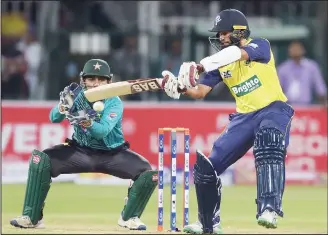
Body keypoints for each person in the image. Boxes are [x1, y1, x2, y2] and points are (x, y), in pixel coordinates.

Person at [162, 9, 294, 234]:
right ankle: (208, 223)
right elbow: (201, 91)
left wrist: (201, 65)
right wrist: (181, 87)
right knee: (206, 168)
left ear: (239, 31)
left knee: (268, 141)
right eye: (219, 34)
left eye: (224, 33)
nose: (221, 38)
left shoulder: (260, 45)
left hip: (273, 110)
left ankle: (269, 208)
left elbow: (237, 54)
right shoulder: (222, 63)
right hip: (243, 117)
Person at [10, 59, 158, 231]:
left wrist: (84, 119)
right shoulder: (76, 96)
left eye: (101, 79)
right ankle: (31, 217)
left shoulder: (114, 102)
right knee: (40, 160)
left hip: (112, 154)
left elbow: (102, 131)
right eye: (91, 79)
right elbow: (53, 118)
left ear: (109, 82)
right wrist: (63, 106)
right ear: (83, 80)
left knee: (148, 173)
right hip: (79, 152)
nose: (96, 84)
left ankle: (129, 217)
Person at [277, 40, 327, 106]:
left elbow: (320, 88)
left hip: (307, 107)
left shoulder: (311, 67)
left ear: (303, 50)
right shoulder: (282, 68)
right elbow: (278, 89)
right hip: (287, 107)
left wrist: (324, 102)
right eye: (293, 48)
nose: (295, 51)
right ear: (289, 51)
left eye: (298, 48)